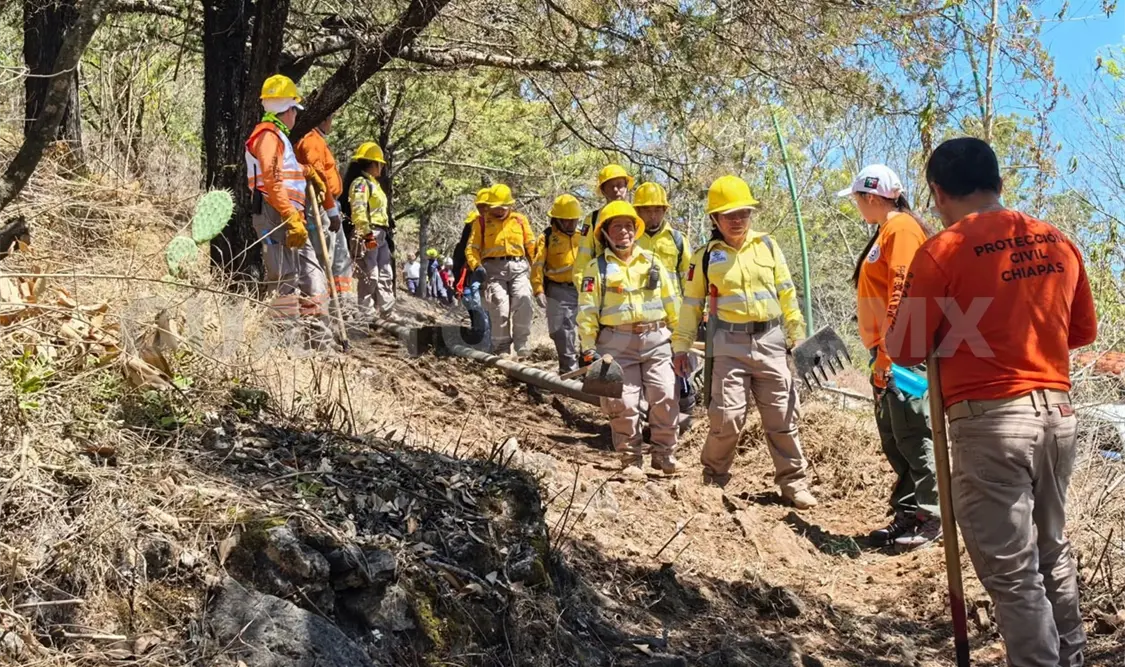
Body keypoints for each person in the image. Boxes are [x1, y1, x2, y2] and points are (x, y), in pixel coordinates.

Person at [887, 137, 1096, 667]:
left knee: (1013, 571)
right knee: (1053, 551)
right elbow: (1079, 332)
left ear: (937, 193)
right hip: (1057, 413)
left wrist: (959, 330)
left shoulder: (945, 249)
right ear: (999, 182)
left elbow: (906, 347)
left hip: (991, 422)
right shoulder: (1057, 240)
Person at [671, 175, 816, 509]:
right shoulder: (704, 257)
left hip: (771, 340)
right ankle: (713, 479)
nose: (737, 221)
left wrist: (797, 332)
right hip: (727, 344)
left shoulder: (767, 245)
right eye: (729, 215)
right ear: (715, 219)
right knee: (727, 416)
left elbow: (786, 291)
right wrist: (681, 346)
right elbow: (691, 305)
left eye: (744, 213)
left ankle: (794, 483)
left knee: (782, 416)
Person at [838, 164, 941, 549]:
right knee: (896, 433)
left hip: (901, 350)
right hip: (887, 350)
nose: (858, 208)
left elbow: (902, 288)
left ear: (870, 197)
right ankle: (909, 512)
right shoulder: (887, 230)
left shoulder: (901, 229)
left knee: (913, 429)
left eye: (858, 201)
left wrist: (888, 350)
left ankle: (931, 516)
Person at [576, 201, 680, 473]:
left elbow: (673, 303)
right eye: (617, 226)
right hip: (615, 344)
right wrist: (588, 348)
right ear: (605, 233)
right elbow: (587, 312)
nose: (624, 231)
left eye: (628, 225)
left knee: (666, 395)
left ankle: (664, 455)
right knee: (623, 403)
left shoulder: (653, 262)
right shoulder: (595, 269)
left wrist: (682, 342)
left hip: (657, 340)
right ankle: (631, 459)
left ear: (636, 229)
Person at [244, 74, 332, 346]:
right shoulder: (267, 136)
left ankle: (320, 340)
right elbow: (271, 180)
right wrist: (290, 216)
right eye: (295, 109)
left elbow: (285, 170)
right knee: (284, 277)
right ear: (289, 109)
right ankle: (287, 342)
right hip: (275, 214)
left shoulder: (277, 135)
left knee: (311, 273)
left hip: (290, 216)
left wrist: (308, 172)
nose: (296, 115)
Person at [634, 182, 695, 432]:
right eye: (647, 210)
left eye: (658, 210)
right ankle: (644, 424)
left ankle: (685, 421)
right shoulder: (629, 238)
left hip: (673, 316)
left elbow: (690, 279)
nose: (652, 215)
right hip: (639, 316)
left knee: (680, 369)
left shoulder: (678, 240)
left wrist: (694, 312)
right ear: (637, 212)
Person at [465, 184, 536, 357]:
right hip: (493, 270)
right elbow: (471, 248)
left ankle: (522, 344)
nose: (499, 211)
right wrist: (476, 266)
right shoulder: (481, 222)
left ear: (510, 205)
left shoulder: (520, 220)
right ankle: (502, 348)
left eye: (502, 207)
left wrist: (538, 270)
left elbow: (531, 246)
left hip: (519, 267)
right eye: (495, 208)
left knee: (524, 299)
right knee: (499, 306)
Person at [294, 112, 355, 312]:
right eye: (331, 118)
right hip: (318, 204)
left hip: (326, 204)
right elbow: (318, 174)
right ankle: (323, 310)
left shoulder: (317, 139)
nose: (332, 123)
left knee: (338, 258)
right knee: (324, 256)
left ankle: (341, 306)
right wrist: (330, 210)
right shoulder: (311, 140)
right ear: (323, 118)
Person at [339, 142, 395, 319]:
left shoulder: (374, 184)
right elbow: (359, 210)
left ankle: (387, 311)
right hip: (368, 234)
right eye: (380, 163)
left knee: (386, 274)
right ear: (372, 163)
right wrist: (366, 234)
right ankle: (366, 313)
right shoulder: (360, 184)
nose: (382, 167)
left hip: (381, 234)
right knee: (370, 275)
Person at [531, 194, 583, 373]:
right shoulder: (546, 237)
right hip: (558, 290)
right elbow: (537, 265)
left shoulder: (583, 236)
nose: (571, 224)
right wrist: (538, 290)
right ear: (557, 219)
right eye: (567, 221)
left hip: (584, 289)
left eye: (574, 220)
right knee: (562, 332)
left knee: (589, 329)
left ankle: (589, 368)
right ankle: (569, 371)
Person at [573, 164, 634, 285]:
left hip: (634, 282)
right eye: (611, 186)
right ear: (603, 190)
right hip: (603, 283)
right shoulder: (592, 219)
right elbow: (583, 259)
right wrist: (586, 290)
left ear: (627, 187)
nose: (616, 190)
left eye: (620, 185)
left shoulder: (637, 217)